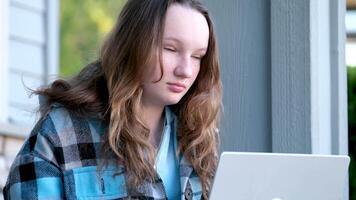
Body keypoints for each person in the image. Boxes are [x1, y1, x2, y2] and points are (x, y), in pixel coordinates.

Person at [3, 0, 222, 199]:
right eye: (170, 49)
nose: (186, 70)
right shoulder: (59, 133)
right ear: (132, 45)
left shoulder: (196, 137)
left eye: (197, 56)